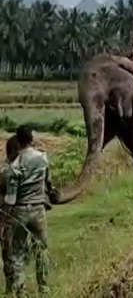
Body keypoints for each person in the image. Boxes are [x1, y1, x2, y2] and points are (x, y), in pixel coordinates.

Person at [5, 126, 57, 296]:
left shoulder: (15, 164)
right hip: (38, 210)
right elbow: (49, 183)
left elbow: (11, 198)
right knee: (41, 250)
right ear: (31, 139)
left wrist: (5, 217)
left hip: (20, 212)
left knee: (17, 255)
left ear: (18, 141)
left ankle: (20, 292)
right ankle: (44, 289)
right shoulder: (43, 158)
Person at [0, 137, 19, 294]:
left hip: (12, 217)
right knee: (12, 255)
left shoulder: (8, 171)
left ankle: (12, 288)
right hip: (12, 217)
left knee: (11, 255)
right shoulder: (7, 171)